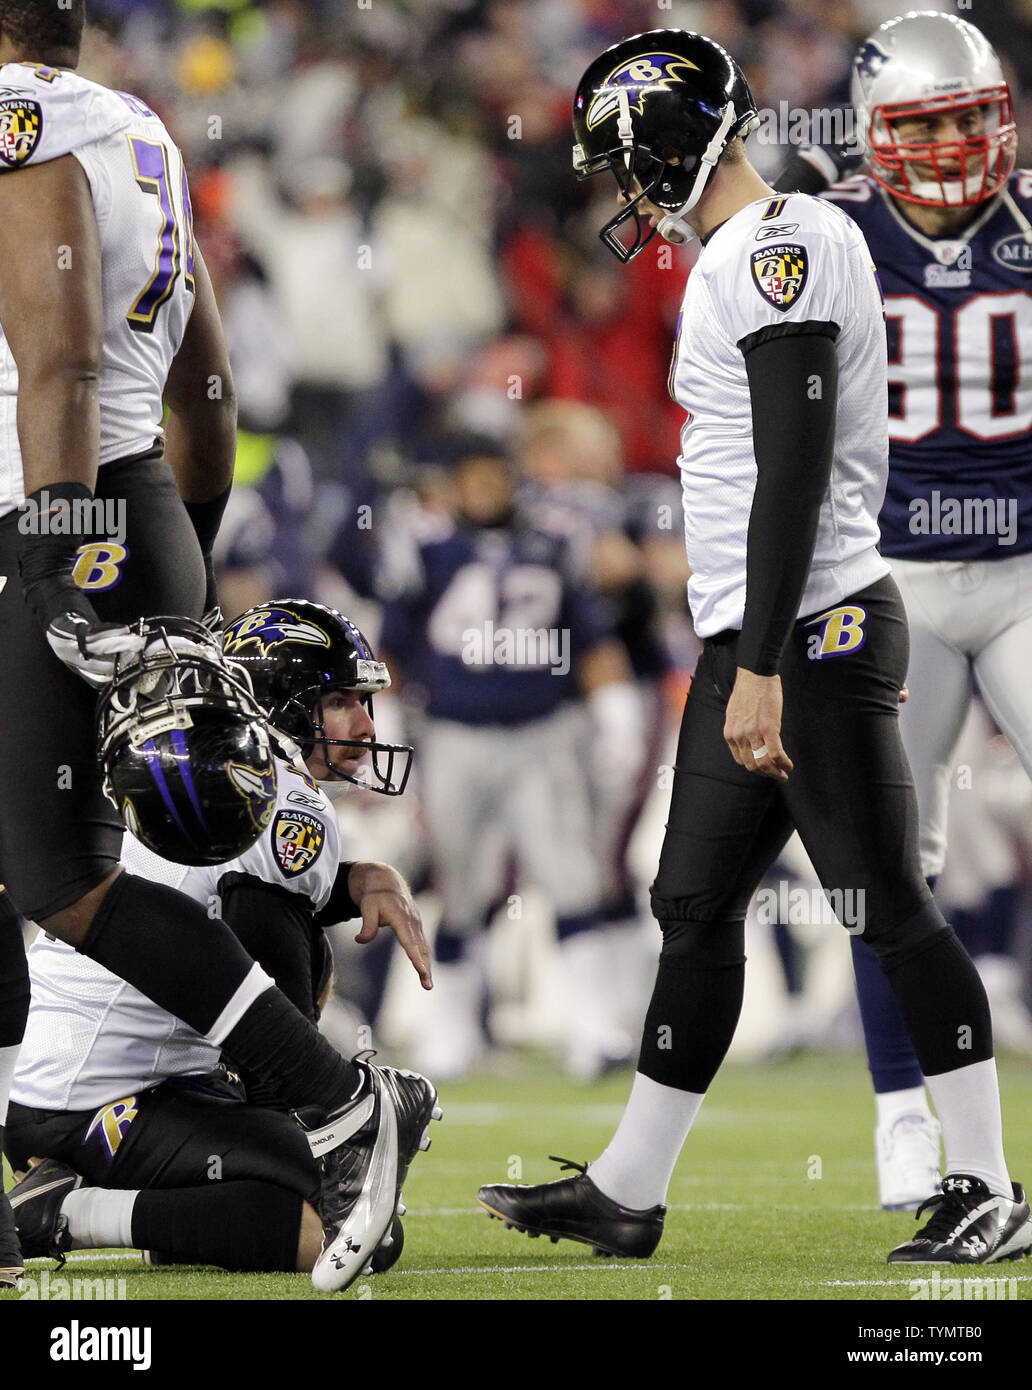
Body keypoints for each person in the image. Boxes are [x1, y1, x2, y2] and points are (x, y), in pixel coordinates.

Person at [476, 27, 1031, 1266]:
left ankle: (989, 1184)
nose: (621, 197)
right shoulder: (761, 245)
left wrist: (767, 663)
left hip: (810, 634)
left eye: (626, 167)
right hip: (767, 632)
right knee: (693, 905)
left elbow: (792, 473)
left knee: (887, 904)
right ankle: (627, 1187)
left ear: (669, 150)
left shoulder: (775, 251)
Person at [0, 1, 435, 1294]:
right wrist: (173, 555)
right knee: (37, 869)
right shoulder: (137, 127)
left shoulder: (20, 124)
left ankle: (332, 1095)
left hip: (58, 515)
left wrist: (62, 561)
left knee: (61, 878)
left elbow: (65, 359)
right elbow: (206, 381)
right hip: (137, 508)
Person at [773, 10, 1032, 1211]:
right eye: (926, 126)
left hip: (1028, 570)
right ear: (876, 134)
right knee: (888, 864)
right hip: (894, 579)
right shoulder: (828, 234)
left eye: (973, 120)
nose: (955, 148)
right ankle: (900, 1119)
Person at [4, 601, 430, 1278]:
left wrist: (354, 881)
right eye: (342, 699)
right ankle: (63, 1216)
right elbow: (263, 939)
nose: (365, 725)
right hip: (101, 1101)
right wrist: (301, 1116)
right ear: (280, 702)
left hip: (62, 1088)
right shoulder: (288, 801)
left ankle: (98, 1200)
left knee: (337, 1201)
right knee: (348, 1227)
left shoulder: (200, 771)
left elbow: (216, 894)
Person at [377, 435, 643, 1081]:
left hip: (541, 733)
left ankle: (593, 1029)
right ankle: (450, 1030)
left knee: (570, 877)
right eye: (473, 476)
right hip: (455, 735)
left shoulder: (555, 542)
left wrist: (617, 716)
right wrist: (382, 720)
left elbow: (592, 639)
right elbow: (389, 644)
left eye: (495, 474)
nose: (485, 489)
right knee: (459, 887)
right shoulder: (427, 545)